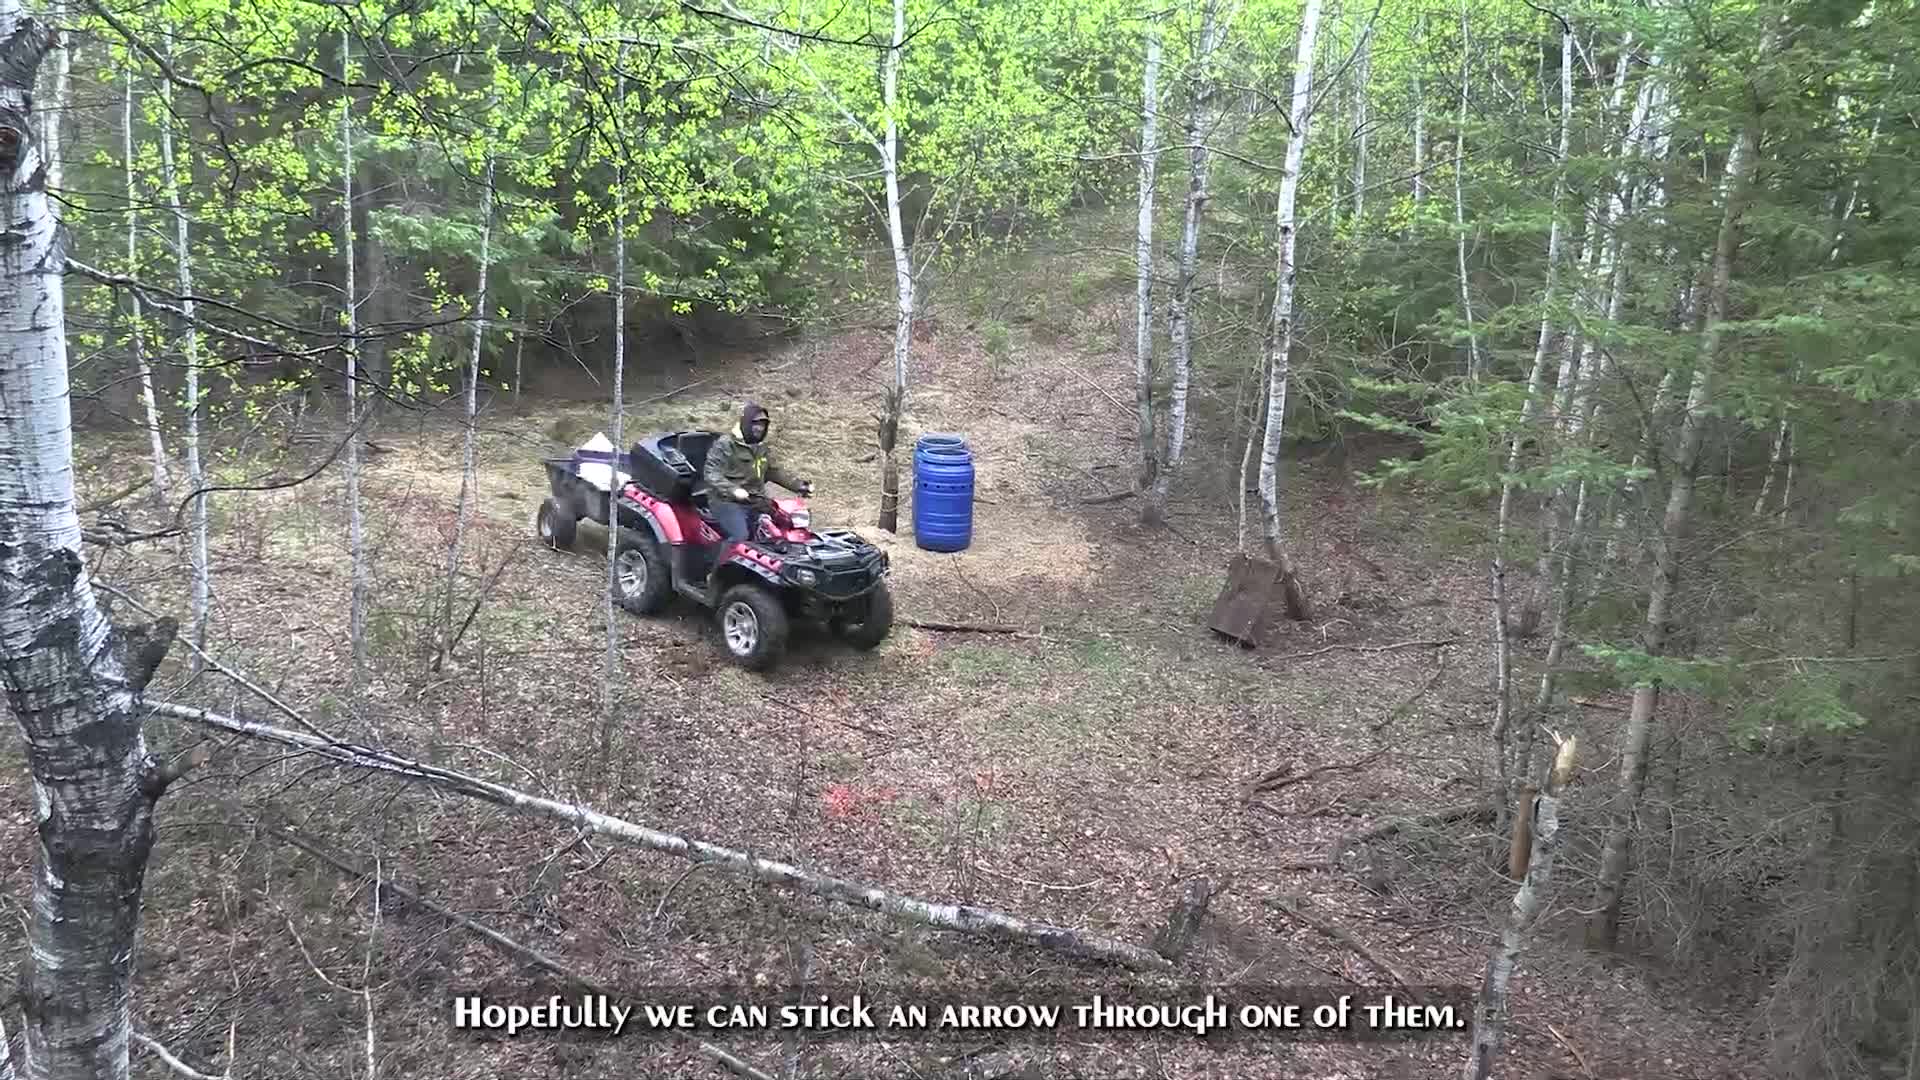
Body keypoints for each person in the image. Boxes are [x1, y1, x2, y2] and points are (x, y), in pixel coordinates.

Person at [700, 401, 811, 543]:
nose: (759, 428)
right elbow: (711, 472)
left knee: (784, 528)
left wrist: (798, 485)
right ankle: (722, 557)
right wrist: (733, 490)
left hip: (756, 500)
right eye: (755, 424)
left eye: (763, 425)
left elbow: (774, 471)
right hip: (727, 501)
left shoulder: (760, 448)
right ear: (746, 423)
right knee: (741, 537)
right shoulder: (725, 445)